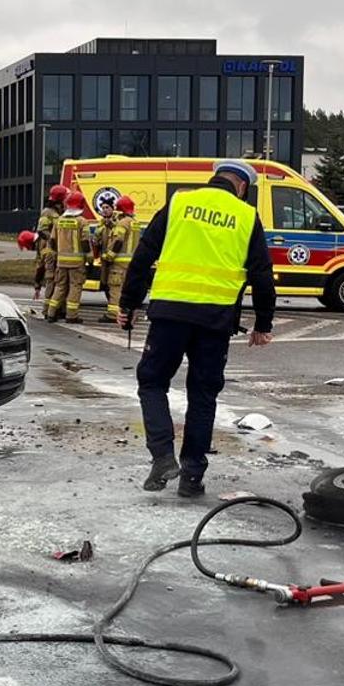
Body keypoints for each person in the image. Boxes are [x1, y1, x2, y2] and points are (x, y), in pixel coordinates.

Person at [118, 160, 276, 498]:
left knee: (152, 381)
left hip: (169, 314)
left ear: (214, 178)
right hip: (215, 321)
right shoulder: (247, 217)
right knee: (202, 395)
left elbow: (143, 256)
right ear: (242, 187)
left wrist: (128, 304)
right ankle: (191, 477)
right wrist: (263, 323)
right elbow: (262, 273)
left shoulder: (179, 202)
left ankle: (162, 457)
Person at [96, 195, 139, 324]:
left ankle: (112, 314)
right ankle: (125, 313)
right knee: (126, 289)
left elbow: (118, 241)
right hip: (131, 262)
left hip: (119, 263)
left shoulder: (122, 223)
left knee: (115, 288)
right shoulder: (134, 222)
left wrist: (109, 256)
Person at [46, 192, 88, 323]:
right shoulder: (82, 221)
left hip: (61, 261)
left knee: (60, 287)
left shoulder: (59, 221)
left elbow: (52, 241)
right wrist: (89, 257)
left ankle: (51, 314)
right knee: (75, 287)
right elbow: (85, 242)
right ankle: (71, 316)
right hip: (76, 263)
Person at [33, 185, 68, 306]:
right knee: (51, 278)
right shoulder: (47, 212)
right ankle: (48, 308)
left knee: (60, 279)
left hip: (58, 250)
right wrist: (55, 240)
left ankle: (57, 307)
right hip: (49, 250)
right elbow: (42, 230)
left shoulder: (61, 211)